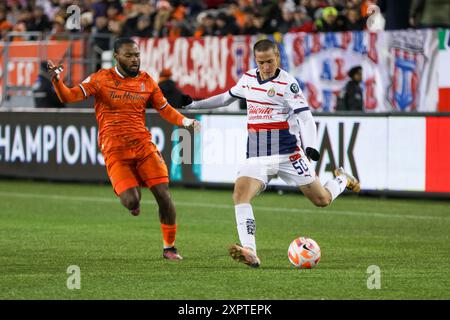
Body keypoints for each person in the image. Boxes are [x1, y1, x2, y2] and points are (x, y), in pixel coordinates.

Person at [183, 39, 360, 268]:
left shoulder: (288, 84)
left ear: (278, 57)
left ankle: (342, 179)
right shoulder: (248, 79)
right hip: (257, 154)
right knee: (240, 195)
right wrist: (193, 105)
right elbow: (226, 97)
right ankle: (250, 250)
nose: (266, 66)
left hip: (288, 154)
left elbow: (306, 118)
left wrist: (311, 147)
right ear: (255, 61)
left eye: (270, 61)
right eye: (261, 62)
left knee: (322, 200)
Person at [47, 37, 199, 261]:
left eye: (137, 55)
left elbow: (165, 109)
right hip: (115, 150)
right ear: (116, 57)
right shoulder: (101, 79)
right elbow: (69, 96)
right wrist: (57, 81)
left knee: (163, 195)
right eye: (129, 55)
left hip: (143, 147)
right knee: (132, 201)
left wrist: (186, 122)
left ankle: (170, 247)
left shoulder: (147, 81)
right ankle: (126, 193)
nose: (135, 59)